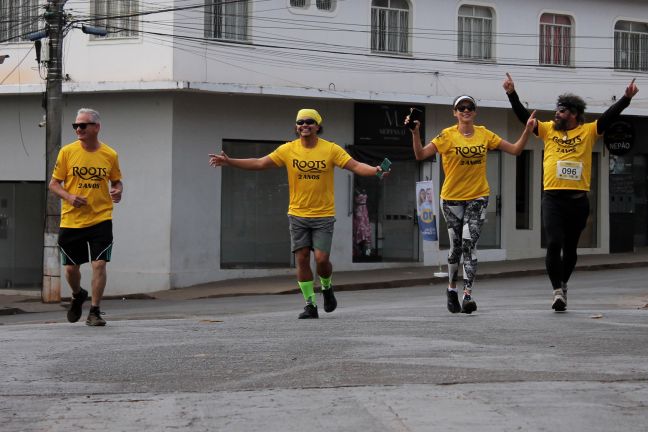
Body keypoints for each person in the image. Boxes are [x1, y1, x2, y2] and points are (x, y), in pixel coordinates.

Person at [209, 109, 389, 319]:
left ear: (318, 126)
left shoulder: (331, 149)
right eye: (300, 122)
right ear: (296, 127)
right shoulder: (288, 150)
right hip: (297, 214)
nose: (304, 125)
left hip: (323, 215)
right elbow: (260, 163)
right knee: (302, 259)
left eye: (309, 122)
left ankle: (327, 287)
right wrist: (230, 161)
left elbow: (356, 166)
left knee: (321, 259)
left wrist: (376, 171)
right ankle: (310, 304)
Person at [503, 73, 639, 311]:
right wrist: (511, 93)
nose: (558, 113)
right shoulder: (547, 130)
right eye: (557, 110)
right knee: (554, 242)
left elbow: (609, 117)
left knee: (572, 250)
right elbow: (525, 118)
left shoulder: (588, 131)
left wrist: (626, 98)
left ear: (574, 114)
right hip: (553, 198)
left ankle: (563, 283)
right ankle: (557, 292)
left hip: (578, 201)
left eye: (563, 110)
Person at [407, 96, 535, 314]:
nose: (466, 111)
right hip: (451, 199)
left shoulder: (484, 133)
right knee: (456, 247)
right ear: (454, 112)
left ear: (475, 112)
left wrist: (527, 131)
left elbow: (514, 150)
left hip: (478, 196)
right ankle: (451, 289)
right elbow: (420, 154)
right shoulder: (446, 135)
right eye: (461, 108)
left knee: (469, 243)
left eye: (470, 108)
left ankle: (467, 295)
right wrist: (415, 132)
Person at [49, 108, 123, 326]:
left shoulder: (110, 154)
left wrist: (118, 190)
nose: (78, 129)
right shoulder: (67, 152)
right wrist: (69, 196)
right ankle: (77, 294)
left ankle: (95, 311)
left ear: (96, 127)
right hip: (72, 220)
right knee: (71, 269)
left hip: (101, 218)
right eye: (76, 126)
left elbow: (116, 180)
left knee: (99, 264)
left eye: (83, 125)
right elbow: (54, 184)